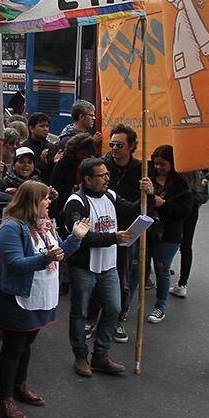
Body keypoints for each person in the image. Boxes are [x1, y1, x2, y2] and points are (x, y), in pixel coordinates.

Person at [0, 182, 87, 418]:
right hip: (17, 299)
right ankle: (5, 400)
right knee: (13, 347)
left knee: (26, 343)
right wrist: (45, 258)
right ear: (33, 202)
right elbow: (13, 263)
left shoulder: (45, 226)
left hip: (39, 297)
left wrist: (75, 238)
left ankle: (19, 385)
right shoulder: (11, 228)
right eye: (45, 199)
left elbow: (59, 253)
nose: (49, 203)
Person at [62, 157, 135, 377]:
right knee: (80, 311)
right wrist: (114, 237)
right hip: (84, 267)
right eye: (102, 176)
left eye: (107, 175)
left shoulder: (110, 196)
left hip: (109, 265)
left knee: (114, 307)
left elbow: (131, 210)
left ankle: (101, 354)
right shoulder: (76, 203)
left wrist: (147, 194)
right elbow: (83, 237)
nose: (107, 179)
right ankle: (80, 356)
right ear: (87, 179)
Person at [141, 146, 195, 324]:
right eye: (156, 163)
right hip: (146, 231)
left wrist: (163, 204)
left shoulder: (182, 185)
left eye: (162, 164)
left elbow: (183, 213)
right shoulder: (148, 180)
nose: (158, 167)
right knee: (138, 268)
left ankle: (160, 306)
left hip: (169, 235)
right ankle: (126, 306)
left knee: (162, 269)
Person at [103, 125, 144, 340]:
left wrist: (148, 193)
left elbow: (145, 206)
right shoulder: (103, 165)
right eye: (111, 145)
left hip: (128, 231)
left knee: (123, 276)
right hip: (104, 229)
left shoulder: (141, 170)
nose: (114, 149)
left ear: (132, 147)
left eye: (119, 145)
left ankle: (119, 318)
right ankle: (96, 317)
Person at [170, 167, 209, 299]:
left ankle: (163, 268)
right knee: (186, 244)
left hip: (179, 201)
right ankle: (182, 283)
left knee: (170, 237)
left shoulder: (185, 159)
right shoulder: (202, 159)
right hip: (193, 205)